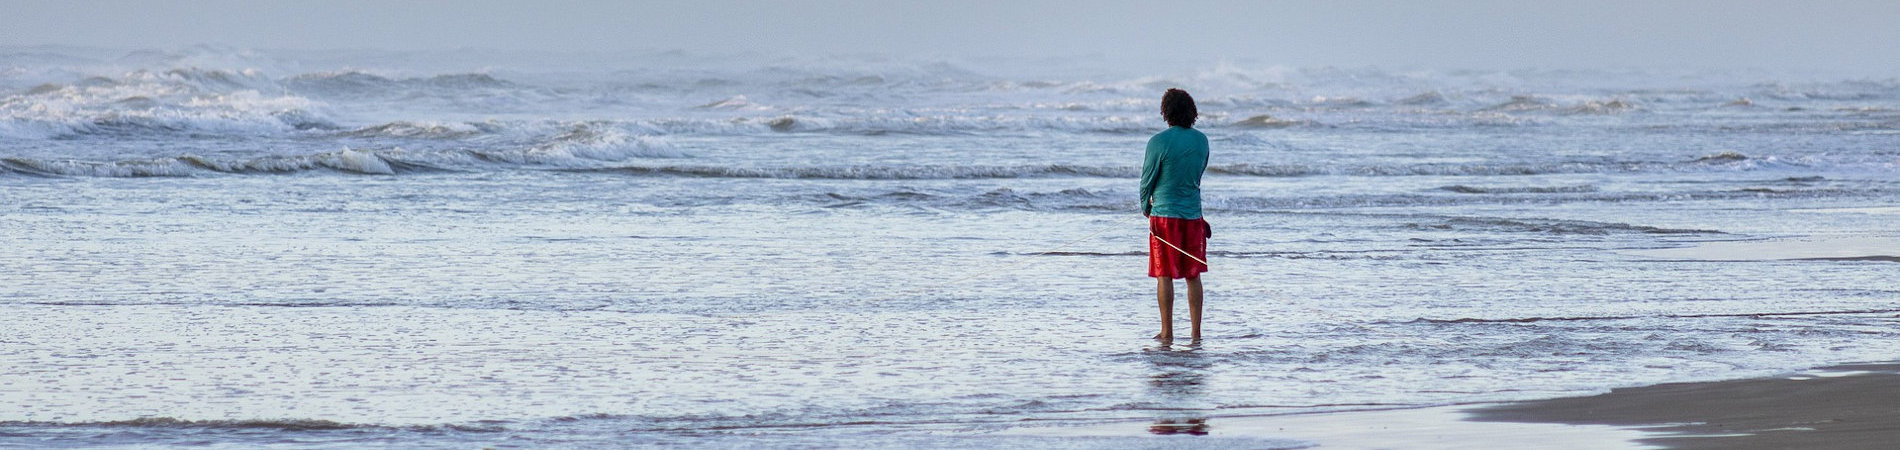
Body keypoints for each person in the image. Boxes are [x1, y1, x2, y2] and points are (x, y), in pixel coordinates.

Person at [1140, 88, 1210, 343]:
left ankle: (1167, 332)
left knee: (1164, 273)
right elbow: (1197, 176)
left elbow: (1147, 180)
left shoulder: (1157, 142)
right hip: (1193, 216)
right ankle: (1196, 333)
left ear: (1166, 112)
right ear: (1191, 112)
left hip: (1164, 217)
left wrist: (1145, 207)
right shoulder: (1202, 141)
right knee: (1193, 274)